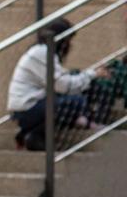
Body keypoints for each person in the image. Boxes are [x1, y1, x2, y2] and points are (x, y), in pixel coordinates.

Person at [7, 18, 105, 151]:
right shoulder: (42, 53)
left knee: (77, 93)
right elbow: (63, 86)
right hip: (28, 108)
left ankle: (28, 134)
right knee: (75, 102)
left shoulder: (43, 51)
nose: (69, 45)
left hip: (32, 106)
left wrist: (84, 76)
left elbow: (60, 81)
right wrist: (92, 74)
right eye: (68, 40)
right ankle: (34, 135)